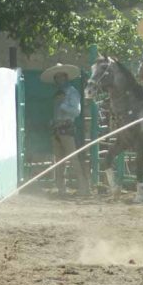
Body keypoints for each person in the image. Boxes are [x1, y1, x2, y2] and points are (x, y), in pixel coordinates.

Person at [41, 63, 91, 196]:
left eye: (61, 77)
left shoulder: (72, 92)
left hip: (67, 129)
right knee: (59, 161)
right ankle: (61, 188)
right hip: (57, 129)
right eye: (57, 78)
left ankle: (83, 188)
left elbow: (76, 111)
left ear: (66, 77)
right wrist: (53, 120)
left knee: (73, 159)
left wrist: (63, 106)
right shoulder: (59, 93)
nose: (59, 80)